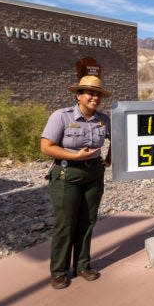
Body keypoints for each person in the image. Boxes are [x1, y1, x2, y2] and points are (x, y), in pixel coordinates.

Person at [40, 74, 112, 289]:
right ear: (78, 95)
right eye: (90, 93)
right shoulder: (61, 116)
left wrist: (109, 159)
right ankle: (59, 271)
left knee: (88, 221)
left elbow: (118, 139)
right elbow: (46, 146)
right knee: (66, 224)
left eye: (98, 94)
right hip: (66, 176)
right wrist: (75, 156)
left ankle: (82, 265)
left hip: (93, 175)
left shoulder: (103, 119)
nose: (95, 97)